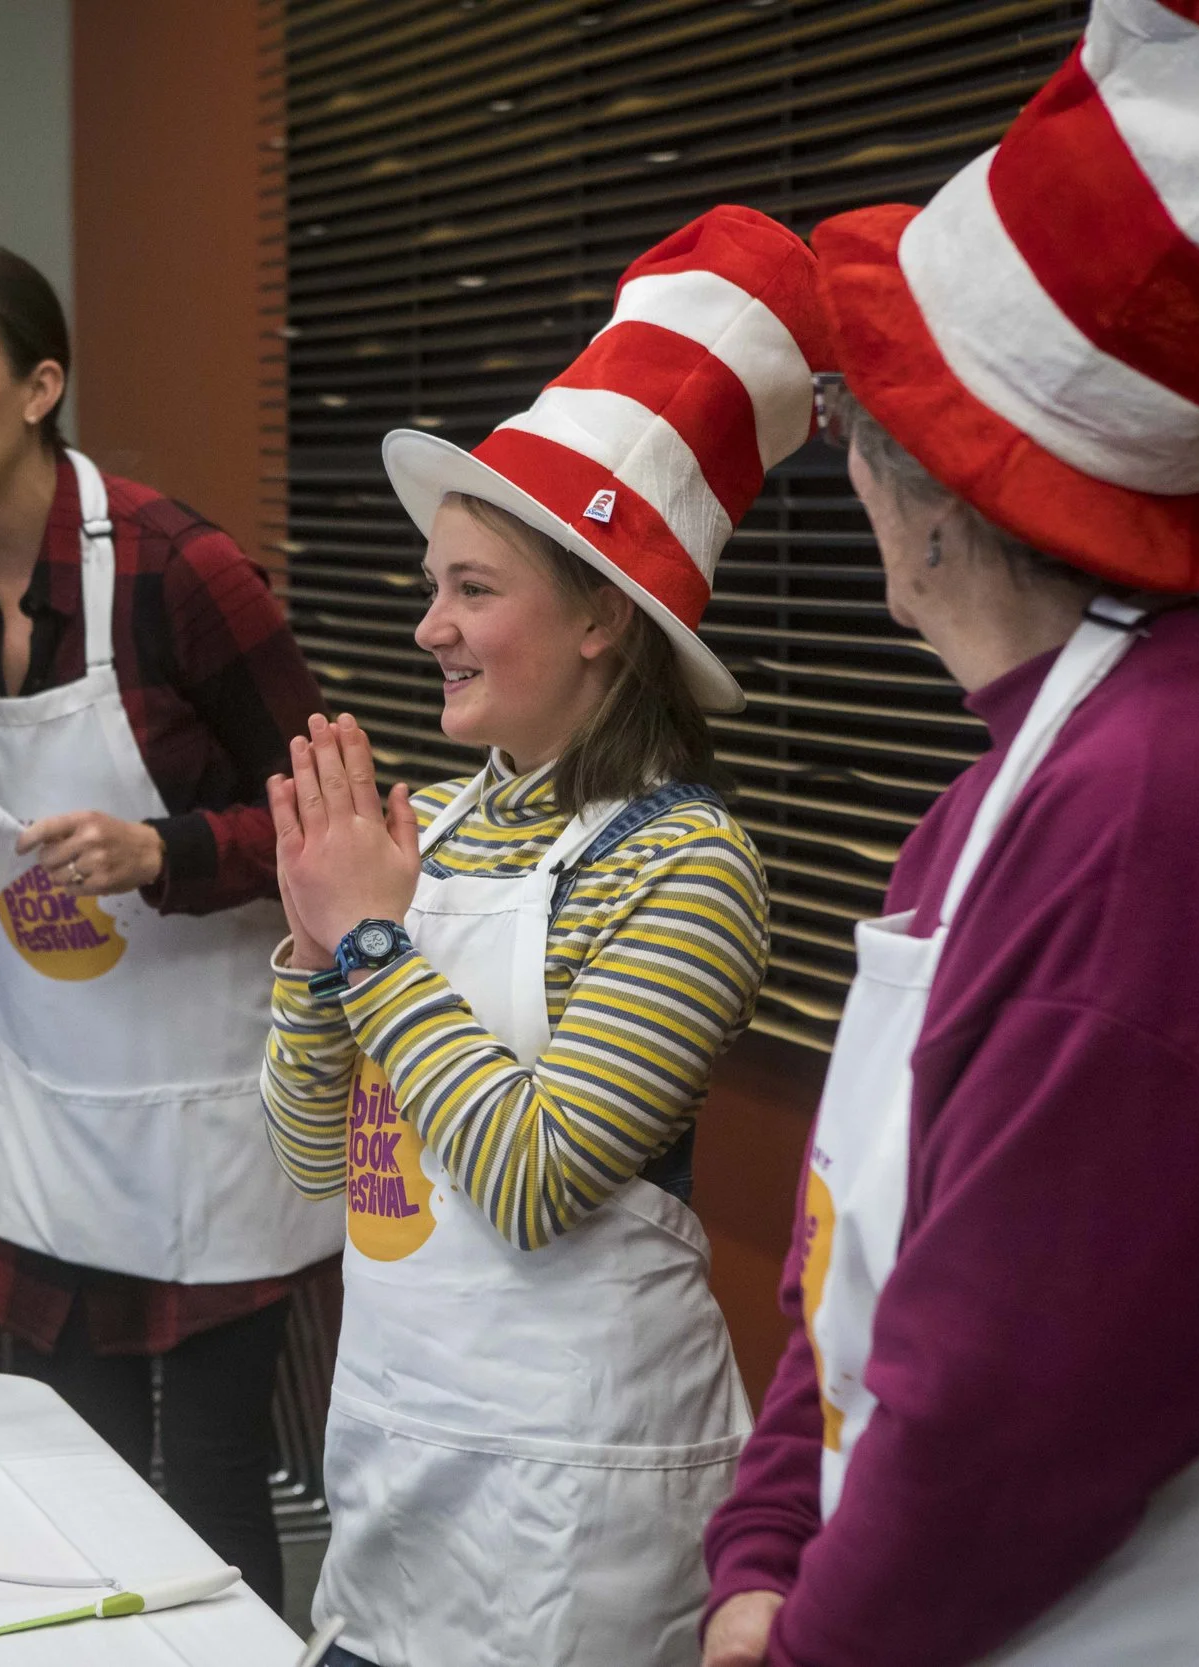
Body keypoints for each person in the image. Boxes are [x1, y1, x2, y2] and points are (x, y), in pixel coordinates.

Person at [701, 7, 1199, 1663]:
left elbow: (1007, 1398)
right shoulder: (1012, 785)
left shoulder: (1168, 810)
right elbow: (846, 1257)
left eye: (859, 424)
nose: (843, 461)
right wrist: (765, 1540)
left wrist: (801, 1641)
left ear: (941, 485)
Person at [261, 205, 815, 1666]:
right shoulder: (426, 825)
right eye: (435, 584)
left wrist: (371, 946)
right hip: (396, 1463)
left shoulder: (690, 863)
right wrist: (315, 949)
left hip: (584, 1504)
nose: (430, 625)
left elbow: (531, 1179)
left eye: (474, 588)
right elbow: (319, 1162)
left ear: (602, 625)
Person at [0, 242, 339, 1608]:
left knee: (216, 1486)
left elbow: (337, 820)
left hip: (218, 1102)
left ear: (40, 384)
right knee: (79, 1475)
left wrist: (159, 848)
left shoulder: (183, 569)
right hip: (52, 1096)